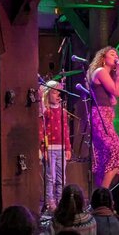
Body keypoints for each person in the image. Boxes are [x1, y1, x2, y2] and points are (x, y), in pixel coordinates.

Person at [88, 46, 119, 188]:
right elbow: (117, 92)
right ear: (103, 58)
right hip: (100, 118)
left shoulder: (106, 75)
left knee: (106, 158)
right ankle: (103, 193)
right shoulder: (101, 71)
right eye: (112, 54)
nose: (116, 56)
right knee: (115, 151)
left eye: (116, 54)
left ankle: (100, 195)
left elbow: (114, 97)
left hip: (106, 118)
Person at [39, 80, 72, 211]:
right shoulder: (46, 111)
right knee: (50, 177)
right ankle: (50, 203)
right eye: (54, 92)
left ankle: (60, 200)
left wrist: (68, 148)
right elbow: (42, 130)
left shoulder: (63, 111)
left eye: (59, 92)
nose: (57, 94)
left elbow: (66, 131)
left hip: (61, 149)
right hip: (50, 148)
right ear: (48, 94)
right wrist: (43, 148)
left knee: (61, 178)